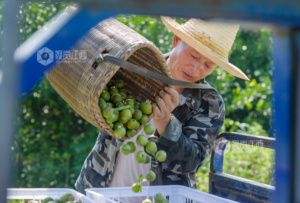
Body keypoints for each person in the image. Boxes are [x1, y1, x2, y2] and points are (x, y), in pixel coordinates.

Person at [75, 16, 248, 196]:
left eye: (208, 65)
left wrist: (166, 123)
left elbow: (190, 162)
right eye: (193, 55)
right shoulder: (137, 68)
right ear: (176, 40)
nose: (196, 68)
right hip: (100, 192)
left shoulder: (210, 103)